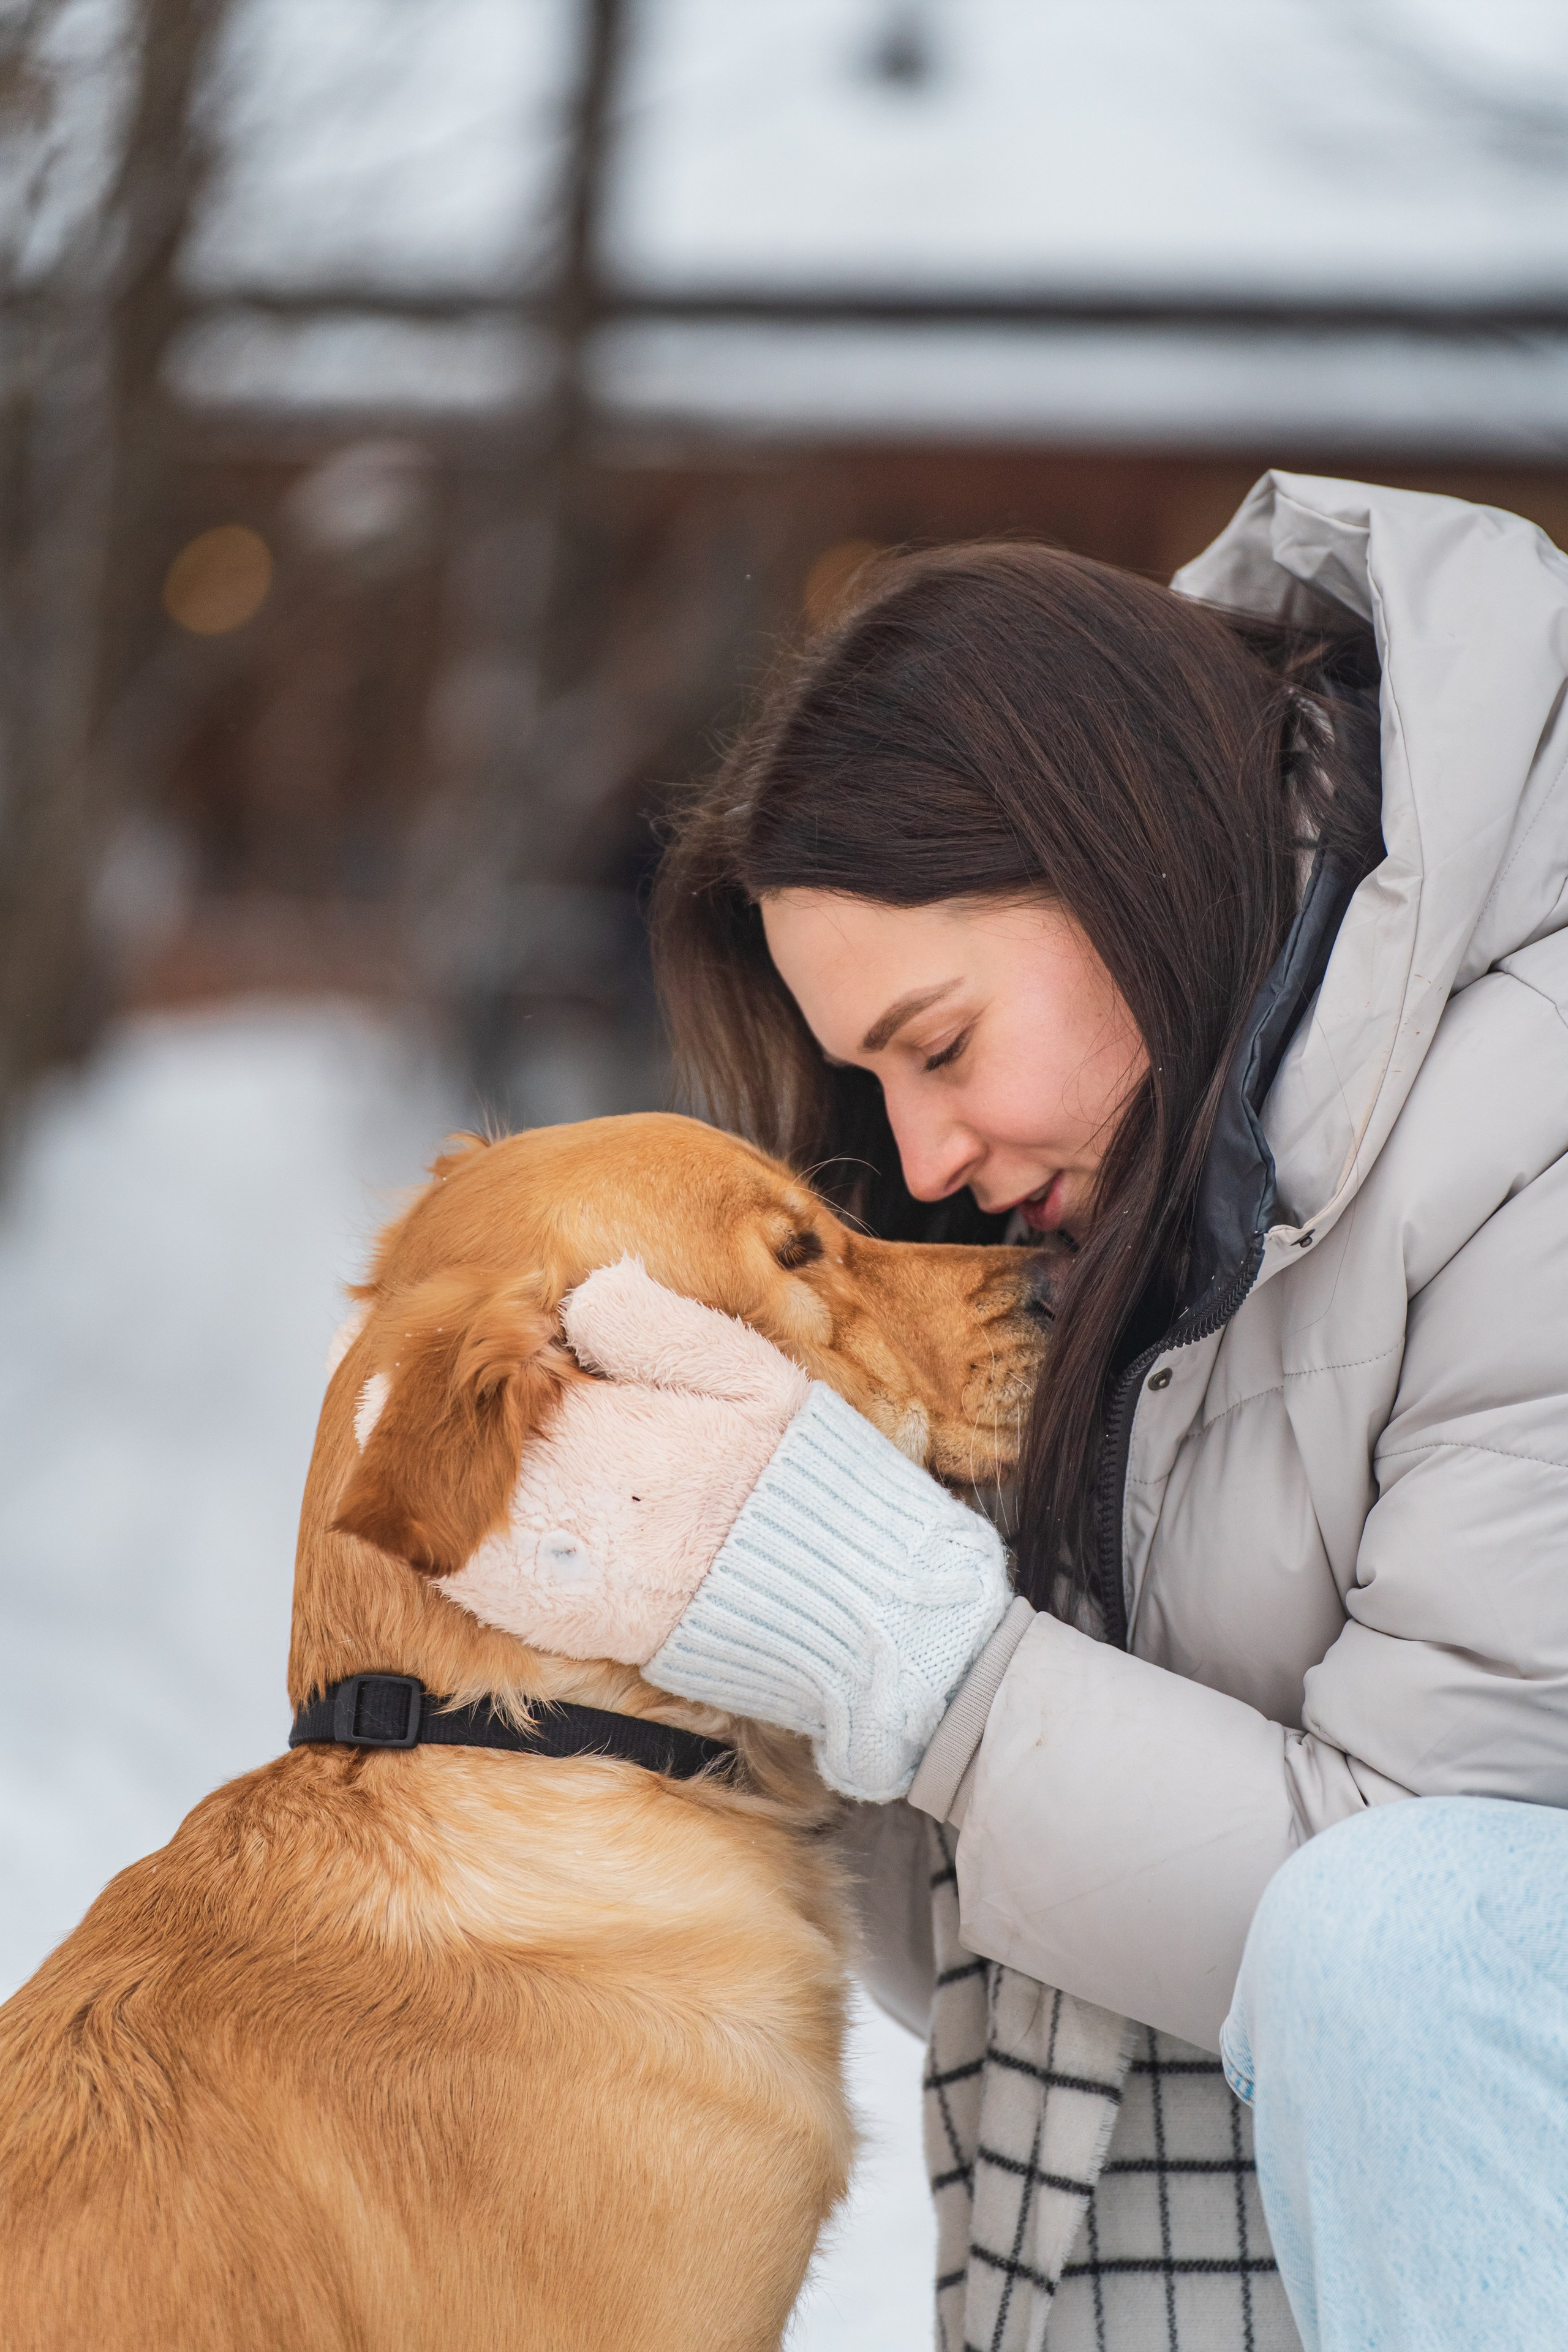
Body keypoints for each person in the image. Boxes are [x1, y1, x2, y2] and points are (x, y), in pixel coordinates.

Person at [455, 475, 1568, 2347]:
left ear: (1121, 851)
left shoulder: (1529, 1137)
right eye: (868, 1083)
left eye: (941, 1046)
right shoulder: (1148, 1178)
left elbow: (1419, 1982)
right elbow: (984, 1950)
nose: (927, 1157)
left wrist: (925, 1667)